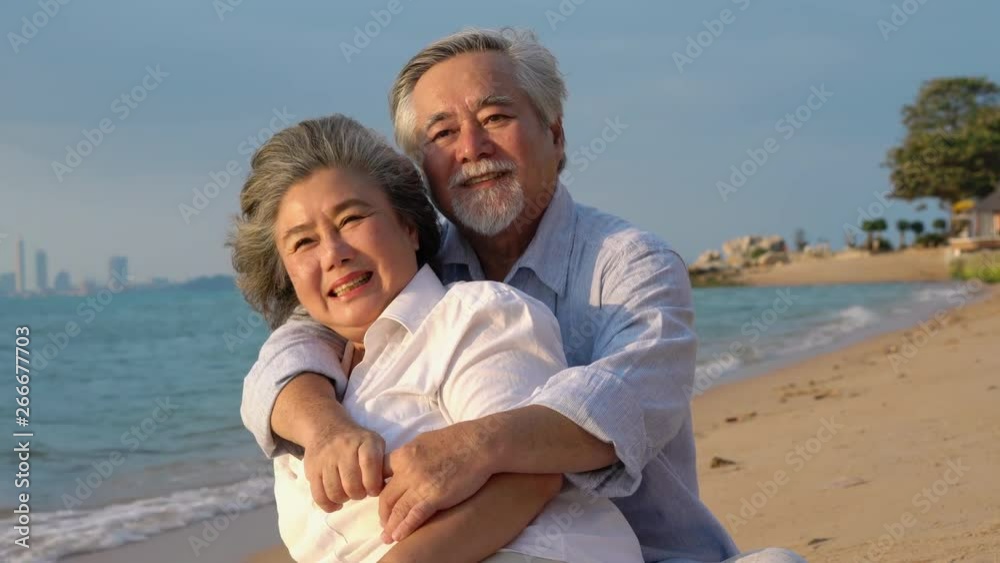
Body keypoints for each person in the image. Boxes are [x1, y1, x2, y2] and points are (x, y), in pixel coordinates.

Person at [240, 28, 804, 563]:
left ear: (555, 136)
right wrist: (327, 429)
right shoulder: (410, 266)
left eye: (496, 117)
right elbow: (291, 352)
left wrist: (476, 445)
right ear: (421, 172)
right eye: (442, 133)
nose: (471, 147)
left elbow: (618, 408)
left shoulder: (631, 264)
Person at [229, 114, 643, 562]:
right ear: (287, 273)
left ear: (408, 226)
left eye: (351, 219)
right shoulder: (306, 371)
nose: (334, 254)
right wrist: (328, 429)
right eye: (303, 243)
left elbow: (529, 480)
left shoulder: (474, 315)